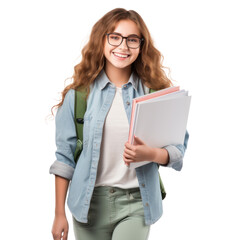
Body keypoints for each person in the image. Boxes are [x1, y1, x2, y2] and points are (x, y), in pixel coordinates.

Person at [49, 8, 189, 240]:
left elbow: (178, 151)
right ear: (101, 40)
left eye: (132, 40)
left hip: (136, 202)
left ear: (141, 46)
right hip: (88, 205)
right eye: (115, 37)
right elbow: (64, 159)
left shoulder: (155, 93)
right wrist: (58, 213)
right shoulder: (79, 96)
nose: (123, 47)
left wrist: (151, 153)